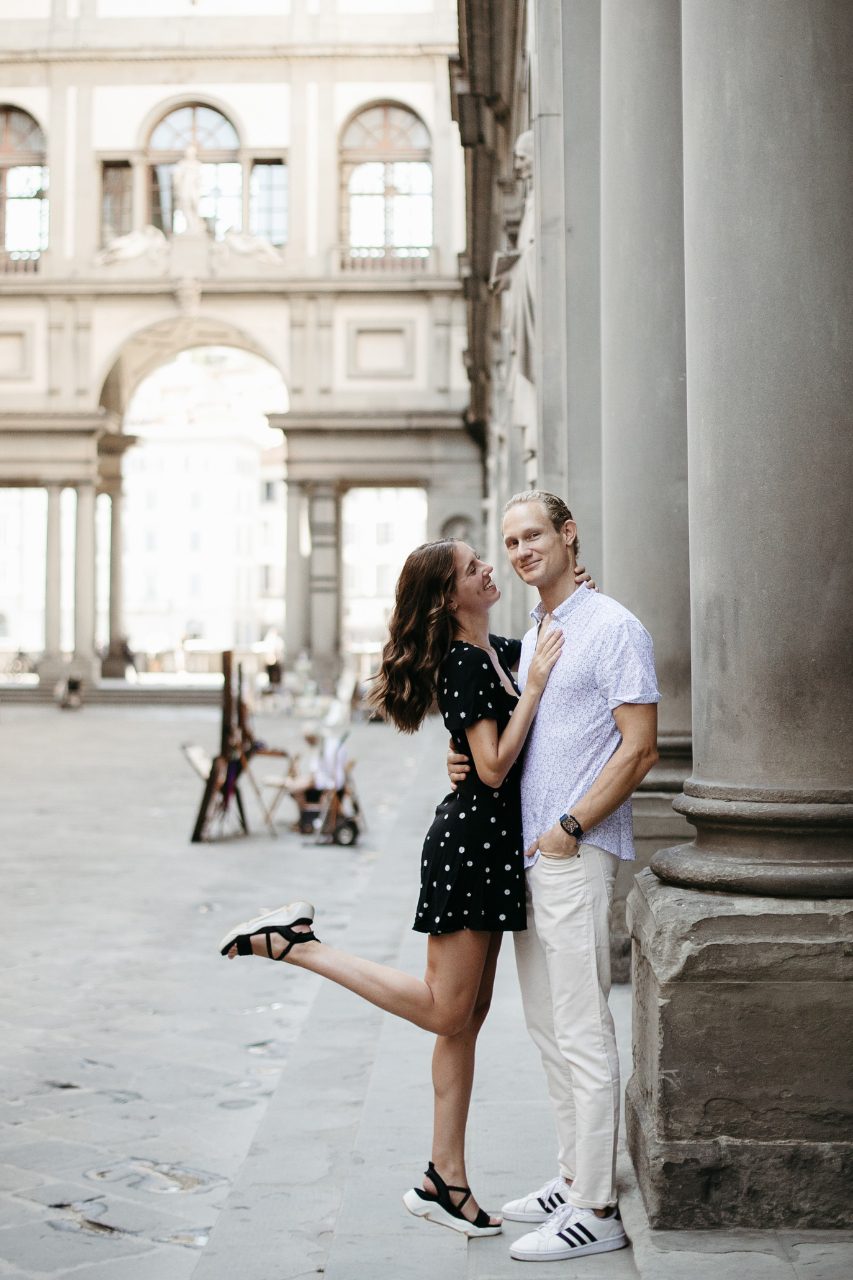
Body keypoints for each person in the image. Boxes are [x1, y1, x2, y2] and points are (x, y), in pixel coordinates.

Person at [219, 538, 589, 1238]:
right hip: (469, 849)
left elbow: (546, 650)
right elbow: (489, 767)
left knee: (465, 1020)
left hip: (486, 851)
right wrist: (532, 690)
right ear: (451, 598)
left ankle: (444, 1180)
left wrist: (571, 588)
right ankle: (298, 947)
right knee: (443, 1011)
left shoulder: (495, 650)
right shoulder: (463, 663)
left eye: (487, 558)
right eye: (473, 567)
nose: (489, 568)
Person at [448, 490, 660, 1262]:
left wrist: (570, 829)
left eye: (534, 534)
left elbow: (639, 749)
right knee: (544, 1025)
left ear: (569, 535)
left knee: (580, 1027)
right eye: (509, 541)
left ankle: (596, 1207)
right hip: (531, 857)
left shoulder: (613, 627)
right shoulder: (540, 627)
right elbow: (520, 738)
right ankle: (575, 1173)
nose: (521, 550)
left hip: (571, 852)